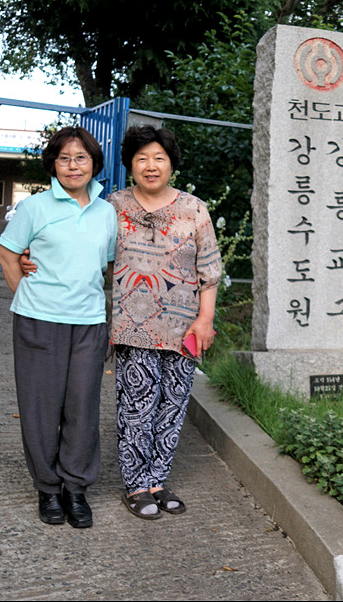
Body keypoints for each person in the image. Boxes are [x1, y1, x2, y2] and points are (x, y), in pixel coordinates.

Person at [0, 127, 117, 528]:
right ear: (53, 164)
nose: (72, 165)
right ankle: (48, 489)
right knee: (41, 409)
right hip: (39, 322)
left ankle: (76, 489)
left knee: (82, 407)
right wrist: (26, 298)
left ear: (94, 163)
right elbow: (7, 253)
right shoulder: (35, 207)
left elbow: (111, 266)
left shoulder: (107, 211)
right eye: (64, 158)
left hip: (88, 322)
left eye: (80, 157)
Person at [108, 124, 222, 519]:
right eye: (142, 159)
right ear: (131, 165)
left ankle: (157, 479)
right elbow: (88, 252)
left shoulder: (194, 209)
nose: (151, 166)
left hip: (184, 329)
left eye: (159, 158)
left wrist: (205, 319)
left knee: (172, 407)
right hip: (132, 327)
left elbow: (209, 270)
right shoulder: (114, 206)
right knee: (136, 408)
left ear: (171, 163)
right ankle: (136, 486)